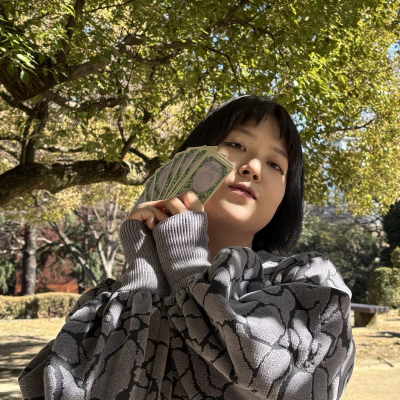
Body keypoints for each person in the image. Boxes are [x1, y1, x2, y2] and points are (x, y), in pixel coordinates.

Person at [19, 95, 355, 399]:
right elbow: (56, 387)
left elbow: (292, 383)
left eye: (275, 165)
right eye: (236, 144)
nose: (252, 167)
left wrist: (187, 264)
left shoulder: (310, 283)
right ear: (188, 161)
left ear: (285, 199)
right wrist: (142, 280)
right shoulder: (107, 303)